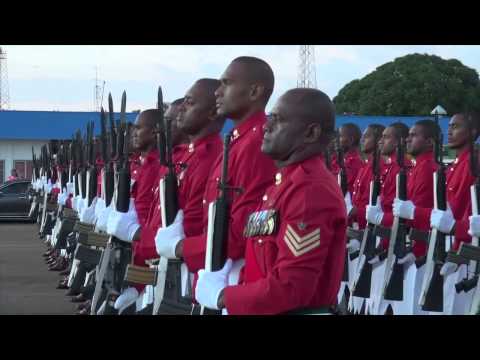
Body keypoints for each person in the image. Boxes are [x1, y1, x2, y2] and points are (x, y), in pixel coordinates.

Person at [194, 88, 347, 315]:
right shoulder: (283, 184)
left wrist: (224, 296)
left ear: (311, 133)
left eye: (277, 120)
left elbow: (292, 286)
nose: (266, 126)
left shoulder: (310, 190)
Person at [154, 56, 278, 307]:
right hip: (217, 264)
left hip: (234, 268)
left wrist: (181, 248)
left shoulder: (256, 144)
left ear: (254, 91)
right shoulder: (236, 139)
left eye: (226, 83)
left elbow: (242, 228)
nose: (218, 91)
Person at [365, 122, 411, 315]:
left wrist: (380, 219)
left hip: (397, 243)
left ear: (399, 141)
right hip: (382, 240)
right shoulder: (389, 168)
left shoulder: (403, 168)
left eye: (386, 137)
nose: (381, 141)